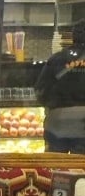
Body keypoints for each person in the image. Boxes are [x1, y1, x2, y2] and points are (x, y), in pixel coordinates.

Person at [36, 19, 85, 154]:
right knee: (81, 164)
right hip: (83, 126)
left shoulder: (57, 58)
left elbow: (41, 90)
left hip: (57, 123)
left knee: (55, 162)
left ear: (73, 36)